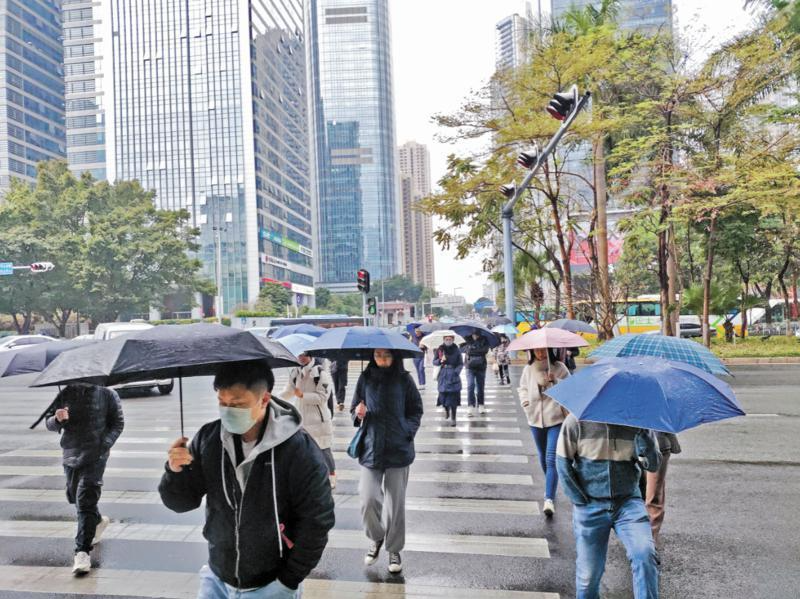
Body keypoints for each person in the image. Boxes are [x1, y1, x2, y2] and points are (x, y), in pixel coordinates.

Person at [159, 360, 335, 599]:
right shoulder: (209, 439)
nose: (227, 410)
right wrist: (175, 471)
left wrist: (287, 581)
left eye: (238, 404)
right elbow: (182, 503)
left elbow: (317, 520)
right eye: (222, 402)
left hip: (271, 584)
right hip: (217, 577)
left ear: (264, 399)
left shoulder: (298, 449)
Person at [557, 413, 662, 599]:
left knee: (644, 554)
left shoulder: (637, 422)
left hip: (628, 502)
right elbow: (562, 461)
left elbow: (653, 465)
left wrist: (645, 439)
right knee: (588, 577)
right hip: (590, 505)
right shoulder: (576, 422)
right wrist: (580, 499)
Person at [350, 349, 423, 574]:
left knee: (395, 504)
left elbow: (416, 411)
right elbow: (354, 408)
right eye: (377, 355)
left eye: (386, 355)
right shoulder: (365, 378)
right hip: (371, 447)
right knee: (368, 499)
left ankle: (394, 548)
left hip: (398, 448)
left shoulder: (404, 380)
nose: (381, 359)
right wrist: (358, 413)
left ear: (394, 357)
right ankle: (377, 537)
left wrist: (406, 432)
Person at [46, 384, 124, 575]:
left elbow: (118, 423)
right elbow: (48, 422)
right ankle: (97, 521)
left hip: (96, 456)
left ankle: (82, 552)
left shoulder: (107, 394)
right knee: (75, 497)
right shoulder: (65, 393)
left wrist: (104, 444)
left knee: (85, 500)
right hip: (71, 454)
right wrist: (57, 419)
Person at [517, 348, 570, 517]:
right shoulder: (529, 368)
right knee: (542, 456)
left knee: (551, 457)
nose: (540, 353)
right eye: (537, 351)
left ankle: (549, 498)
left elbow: (571, 388)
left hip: (555, 418)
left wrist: (555, 381)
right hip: (535, 418)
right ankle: (551, 482)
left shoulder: (560, 367)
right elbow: (523, 388)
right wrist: (526, 402)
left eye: (543, 351)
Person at [280, 353, 337, 489]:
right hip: (301, 418)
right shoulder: (295, 372)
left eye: (305, 355)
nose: (302, 357)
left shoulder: (320, 373)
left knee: (323, 449)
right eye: (299, 355)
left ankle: (331, 476)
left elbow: (322, 397)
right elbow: (288, 391)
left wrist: (303, 395)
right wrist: (273, 399)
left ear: (311, 356)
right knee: (303, 449)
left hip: (318, 420)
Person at [645, 432, 681, 548]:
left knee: (653, 494)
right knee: (635, 492)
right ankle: (637, 535)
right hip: (626, 444)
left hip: (657, 444)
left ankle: (651, 538)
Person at [432, 333, 463, 427]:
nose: (448, 341)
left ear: (453, 340)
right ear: (444, 339)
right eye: (446, 339)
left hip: (453, 375)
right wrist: (440, 360)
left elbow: (460, 363)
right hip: (443, 375)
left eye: (450, 339)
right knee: (443, 396)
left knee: (453, 397)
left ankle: (453, 417)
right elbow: (434, 361)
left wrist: (456, 372)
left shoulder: (457, 350)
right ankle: (446, 410)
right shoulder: (440, 349)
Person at [463, 331, 490, 416]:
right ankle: (470, 405)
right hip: (469, 366)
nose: (475, 334)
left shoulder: (484, 339)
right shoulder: (466, 339)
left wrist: (473, 349)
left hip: (481, 366)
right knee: (470, 385)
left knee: (480, 386)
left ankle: (481, 404)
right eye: (473, 332)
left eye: (476, 332)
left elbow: (485, 351)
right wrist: (476, 350)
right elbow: (466, 350)